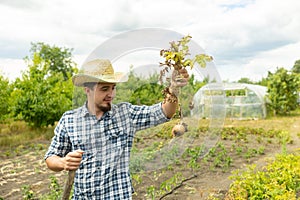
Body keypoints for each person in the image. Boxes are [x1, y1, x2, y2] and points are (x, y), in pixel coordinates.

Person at [44, 58, 189, 199]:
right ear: (87, 90)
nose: (111, 94)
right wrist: (63, 162)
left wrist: (173, 89)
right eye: (104, 89)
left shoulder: (125, 114)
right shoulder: (70, 120)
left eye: (113, 88)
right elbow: (51, 157)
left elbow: (164, 112)